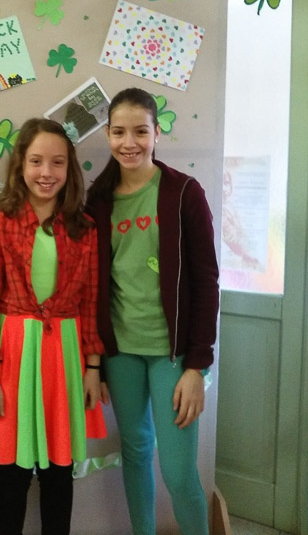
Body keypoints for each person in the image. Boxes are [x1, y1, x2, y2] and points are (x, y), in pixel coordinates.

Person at [86, 88, 219, 535]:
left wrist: (197, 366)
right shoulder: (98, 200)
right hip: (121, 352)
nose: (130, 143)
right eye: (119, 132)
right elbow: (92, 285)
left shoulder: (183, 192)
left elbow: (206, 281)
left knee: (179, 473)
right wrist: (95, 363)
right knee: (136, 451)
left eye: (140, 131)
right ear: (107, 135)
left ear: (157, 133)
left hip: (173, 356)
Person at [0, 118, 106, 535]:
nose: (46, 172)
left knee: (59, 471)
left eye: (57, 162)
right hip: (14, 357)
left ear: (69, 169)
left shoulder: (84, 229)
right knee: (10, 471)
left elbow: (90, 304)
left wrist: (93, 368)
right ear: (21, 166)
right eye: (36, 161)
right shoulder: (0, 225)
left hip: (64, 357)